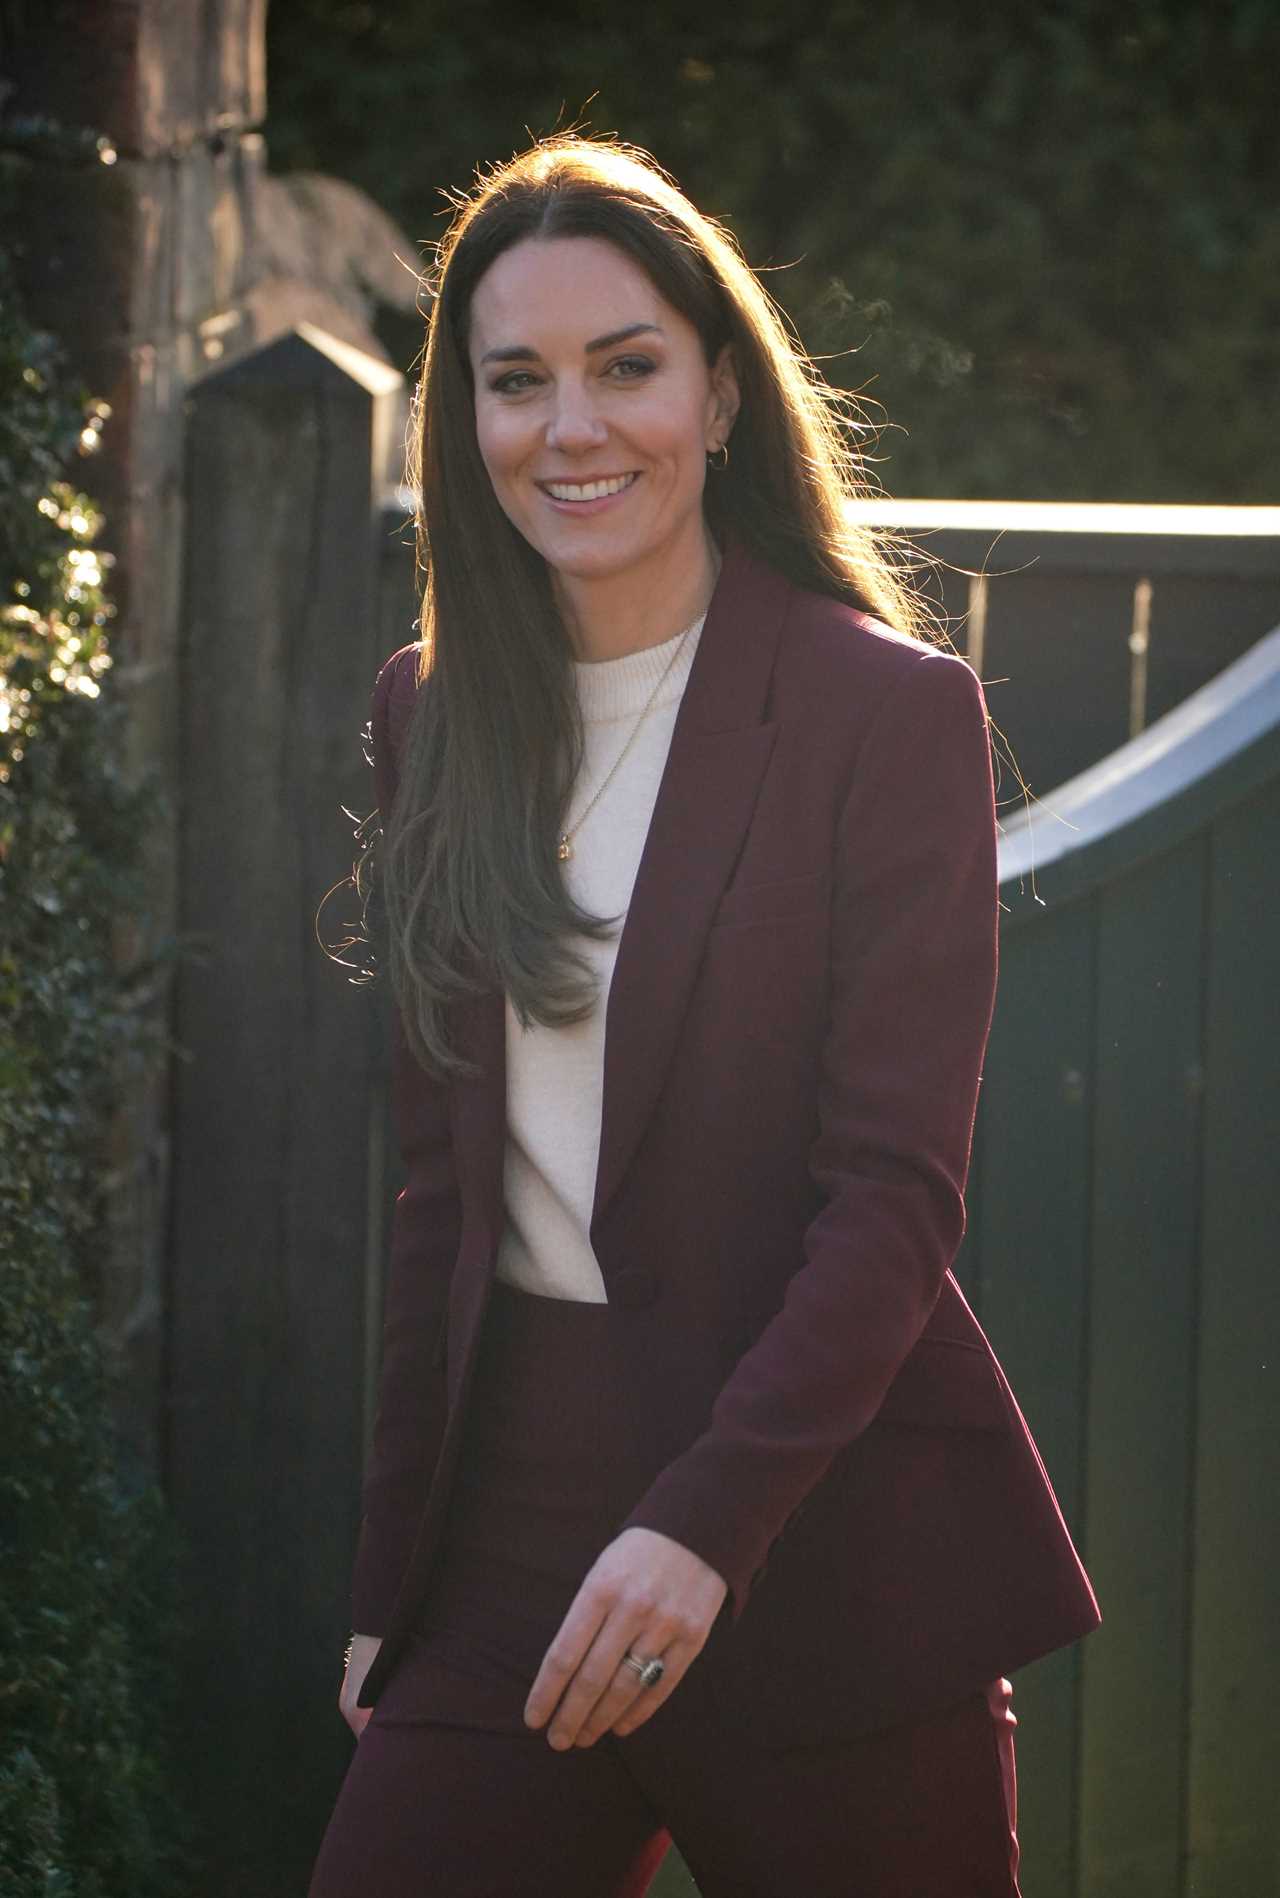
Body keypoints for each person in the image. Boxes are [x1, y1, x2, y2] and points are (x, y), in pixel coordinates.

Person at [308, 134, 1100, 1898]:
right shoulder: (431, 712)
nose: (571, 427)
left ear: (723, 394)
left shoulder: (883, 713)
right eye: (518, 381)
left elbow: (896, 1197)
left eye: (626, 366)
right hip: (505, 1533)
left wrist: (701, 1525)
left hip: (817, 1524)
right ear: (469, 424)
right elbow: (444, 1192)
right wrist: (390, 1591)